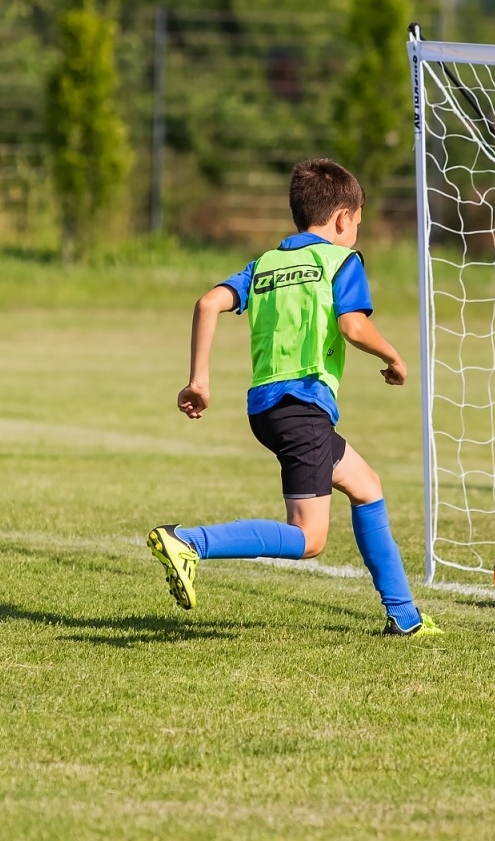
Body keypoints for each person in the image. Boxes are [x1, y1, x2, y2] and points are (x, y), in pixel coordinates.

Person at [148, 159, 442, 637]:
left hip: (268, 407)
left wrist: (199, 380)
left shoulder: (265, 263)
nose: (356, 236)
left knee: (366, 484)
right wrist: (394, 356)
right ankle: (189, 542)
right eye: (358, 226)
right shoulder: (341, 261)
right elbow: (353, 325)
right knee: (309, 537)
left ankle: (404, 616)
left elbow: (208, 303)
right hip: (302, 405)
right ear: (344, 219)